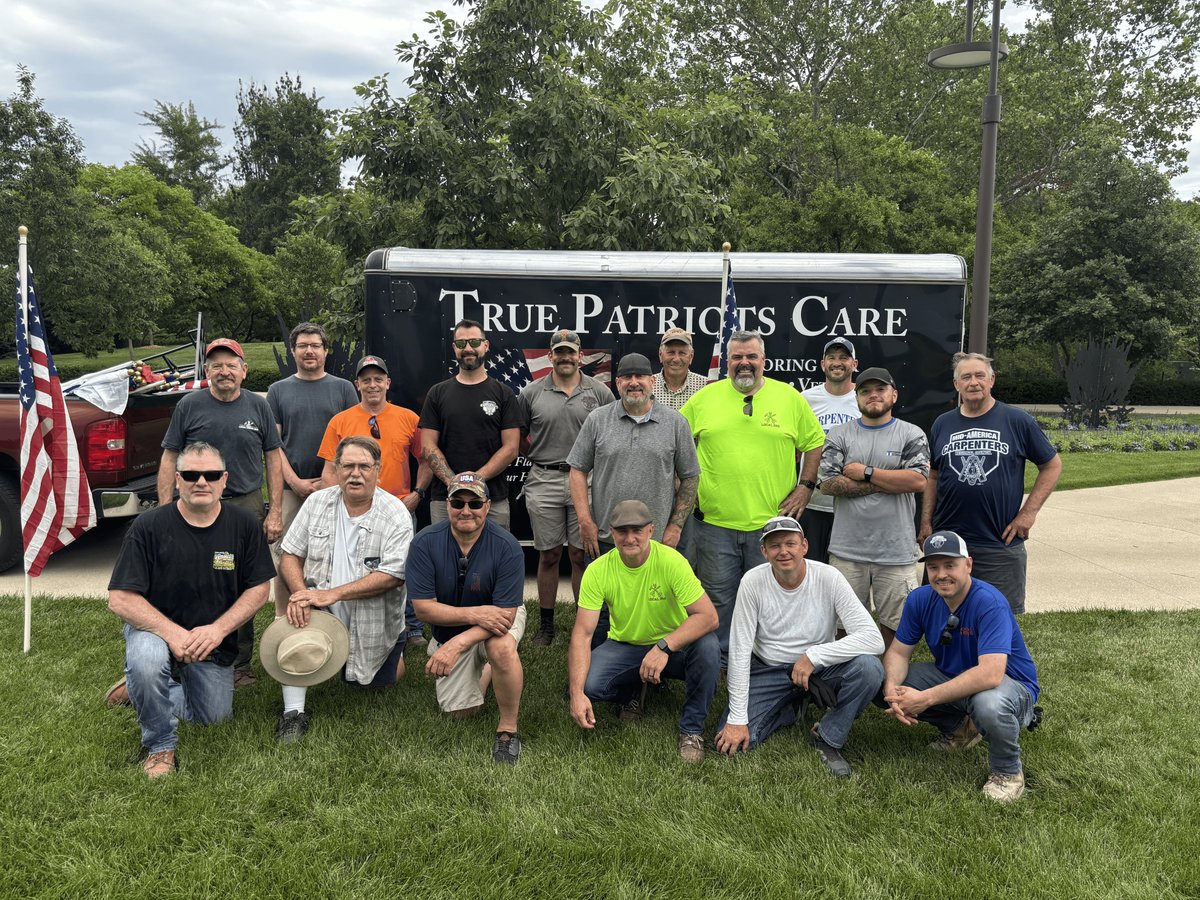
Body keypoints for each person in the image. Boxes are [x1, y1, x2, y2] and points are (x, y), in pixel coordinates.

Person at [107, 442, 275, 777]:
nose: (201, 482)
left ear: (224, 480)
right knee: (147, 660)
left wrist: (217, 630)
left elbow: (259, 589)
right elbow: (120, 598)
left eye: (211, 474)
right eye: (191, 475)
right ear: (177, 479)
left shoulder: (244, 525)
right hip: (156, 631)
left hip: (210, 641)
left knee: (213, 718)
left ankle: (141, 689)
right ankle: (160, 746)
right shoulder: (148, 526)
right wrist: (172, 634)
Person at [680, 330, 826, 656]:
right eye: (737, 357)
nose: (744, 363)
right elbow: (676, 440)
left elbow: (815, 442)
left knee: (771, 596)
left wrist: (805, 487)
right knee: (719, 597)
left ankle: (765, 657)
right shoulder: (704, 399)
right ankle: (722, 659)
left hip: (772, 525)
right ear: (727, 362)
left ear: (763, 361)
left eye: (751, 357)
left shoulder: (789, 398)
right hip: (714, 524)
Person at [271, 435, 415, 743]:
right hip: (319, 611)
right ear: (336, 469)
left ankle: (392, 653)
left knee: (377, 685)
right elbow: (290, 554)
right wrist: (301, 594)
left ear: (378, 470)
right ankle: (293, 713)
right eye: (347, 466)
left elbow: (393, 575)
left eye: (364, 466)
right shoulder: (317, 503)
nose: (355, 474)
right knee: (295, 631)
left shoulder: (395, 513)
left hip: (373, 621)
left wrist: (333, 593)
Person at [156, 337, 283, 685]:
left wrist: (275, 510)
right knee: (187, 576)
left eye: (231, 365)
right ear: (206, 371)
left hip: (244, 504)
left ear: (244, 370)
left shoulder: (258, 406)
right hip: (194, 504)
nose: (224, 371)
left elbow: (273, 458)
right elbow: (170, 456)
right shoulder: (188, 405)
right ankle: (181, 653)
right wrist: (165, 509)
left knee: (243, 581)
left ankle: (238, 663)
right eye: (216, 365)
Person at [714, 517, 884, 777]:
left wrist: (814, 656)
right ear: (764, 552)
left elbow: (873, 639)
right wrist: (737, 718)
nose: (783, 551)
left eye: (790, 543)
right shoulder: (752, 581)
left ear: (804, 546)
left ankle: (827, 737)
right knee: (734, 745)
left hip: (819, 669)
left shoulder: (829, 577)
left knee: (869, 668)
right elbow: (739, 650)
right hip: (770, 669)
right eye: (775, 546)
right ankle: (790, 708)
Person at [882, 531, 1041, 803]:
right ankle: (961, 729)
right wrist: (891, 691)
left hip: (1009, 687)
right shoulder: (920, 599)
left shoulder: (989, 602)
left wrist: (925, 698)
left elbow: (991, 674)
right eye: (933, 567)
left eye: (950, 565)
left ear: (968, 565)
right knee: (881, 679)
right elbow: (898, 653)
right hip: (953, 677)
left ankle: (1007, 772)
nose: (941, 574)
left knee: (988, 703)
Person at [568, 500, 720, 763]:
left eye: (637, 530)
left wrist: (664, 647)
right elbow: (582, 635)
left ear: (651, 530)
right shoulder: (597, 570)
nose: (630, 538)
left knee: (708, 647)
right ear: (611, 533)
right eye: (622, 531)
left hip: (674, 646)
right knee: (591, 685)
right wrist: (576, 694)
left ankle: (692, 729)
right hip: (627, 645)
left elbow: (709, 617)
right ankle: (634, 691)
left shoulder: (672, 561)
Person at [921, 352, 1062, 614]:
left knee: (999, 619)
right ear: (956, 384)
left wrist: (1028, 513)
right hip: (948, 543)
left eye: (979, 375)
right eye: (966, 377)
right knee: (941, 619)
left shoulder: (1017, 420)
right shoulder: (943, 423)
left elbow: (1051, 465)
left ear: (992, 380)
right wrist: (926, 522)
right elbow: (933, 475)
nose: (973, 382)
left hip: (999, 543)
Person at [406, 473, 527, 764]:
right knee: (460, 713)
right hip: (457, 626)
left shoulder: (508, 546)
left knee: (501, 647)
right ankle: (488, 669)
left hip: (500, 617)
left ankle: (507, 730)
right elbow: (423, 609)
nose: (466, 510)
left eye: (475, 503)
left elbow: (506, 615)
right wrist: (474, 616)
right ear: (447, 505)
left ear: (487, 506)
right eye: (458, 502)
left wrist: (458, 644)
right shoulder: (423, 543)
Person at [318, 354, 430, 646]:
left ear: (388, 383)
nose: (372, 385)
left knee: (406, 565)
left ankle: (412, 625)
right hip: (354, 508)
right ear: (357, 384)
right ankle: (348, 621)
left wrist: (417, 494)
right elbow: (329, 470)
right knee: (358, 566)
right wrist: (337, 503)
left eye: (378, 379)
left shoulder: (408, 418)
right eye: (366, 380)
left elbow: (426, 459)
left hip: (398, 508)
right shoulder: (341, 421)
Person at [819, 367, 930, 647]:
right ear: (856, 398)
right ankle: (854, 673)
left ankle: (889, 673)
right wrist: (890, 482)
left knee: (897, 627)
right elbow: (828, 484)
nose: (873, 395)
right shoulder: (839, 435)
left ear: (894, 395)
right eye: (865, 391)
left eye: (880, 389)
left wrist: (866, 472)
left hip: (896, 552)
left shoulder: (911, 434)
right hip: (847, 551)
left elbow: (917, 481)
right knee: (844, 627)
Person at [518, 329, 615, 646]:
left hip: (586, 480)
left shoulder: (599, 392)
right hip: (544, 478)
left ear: (580, 356)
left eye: (570, 352)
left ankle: (581, 624)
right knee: (548, 555)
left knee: (580, 554)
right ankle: (546, 625)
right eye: (559, 352)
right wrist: (536, 455)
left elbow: (612, 431)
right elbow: (517, 436)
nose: (565, 357)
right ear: (550, 356)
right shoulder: (531, 393)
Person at [567, 352, 699, 559]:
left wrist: (675, 527)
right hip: (606, 540)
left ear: (652, 381)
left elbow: (690, 476)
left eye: (640, 376)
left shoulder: (675, 423)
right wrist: (585, 521)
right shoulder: (597, 420)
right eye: (627, 377)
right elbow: (577, 470)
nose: (634, 383)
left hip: (657, 541)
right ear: (618, 383)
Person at [266, 323, 359, 615]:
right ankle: (282, 617)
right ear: (293, 351)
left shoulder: (343, 388)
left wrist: (330, 482)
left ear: (325, 351)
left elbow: (352, 440)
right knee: (287, 554)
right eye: (303, 346)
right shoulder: (278, 391)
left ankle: (331, 614)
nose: (309, 351)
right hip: (291, 489)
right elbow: (273, 445)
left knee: (334, 551)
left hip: (336, 487)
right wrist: (294, 481)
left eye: (315, 346)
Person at [420, 319, 522, 528]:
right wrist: (454, 483)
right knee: (444, 550)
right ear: (454, 348)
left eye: (474, 342)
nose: (468, 348)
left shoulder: (504, 394)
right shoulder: (437, 393)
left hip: (492, 499)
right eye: (461, 343)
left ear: (486, 345)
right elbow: (428, 446)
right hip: (446, 499)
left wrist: (475, 481)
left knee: (494, 550)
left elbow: (512, 448)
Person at [799, 338, 861, 563]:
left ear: (854, 364)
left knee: (846, 575)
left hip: (851, 505)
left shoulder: (864, 398)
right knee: (811, 571)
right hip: (812, 504)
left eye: (844, 357)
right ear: (822, 364)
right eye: (831, 357)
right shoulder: (805, 399)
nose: (837, 362)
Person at [652, 327, 708, 410]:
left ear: (691, 356)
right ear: (660, 355)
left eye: (682, 353)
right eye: (671, 352)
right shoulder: (647, 386)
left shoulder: (705, 386)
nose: (676, 359)